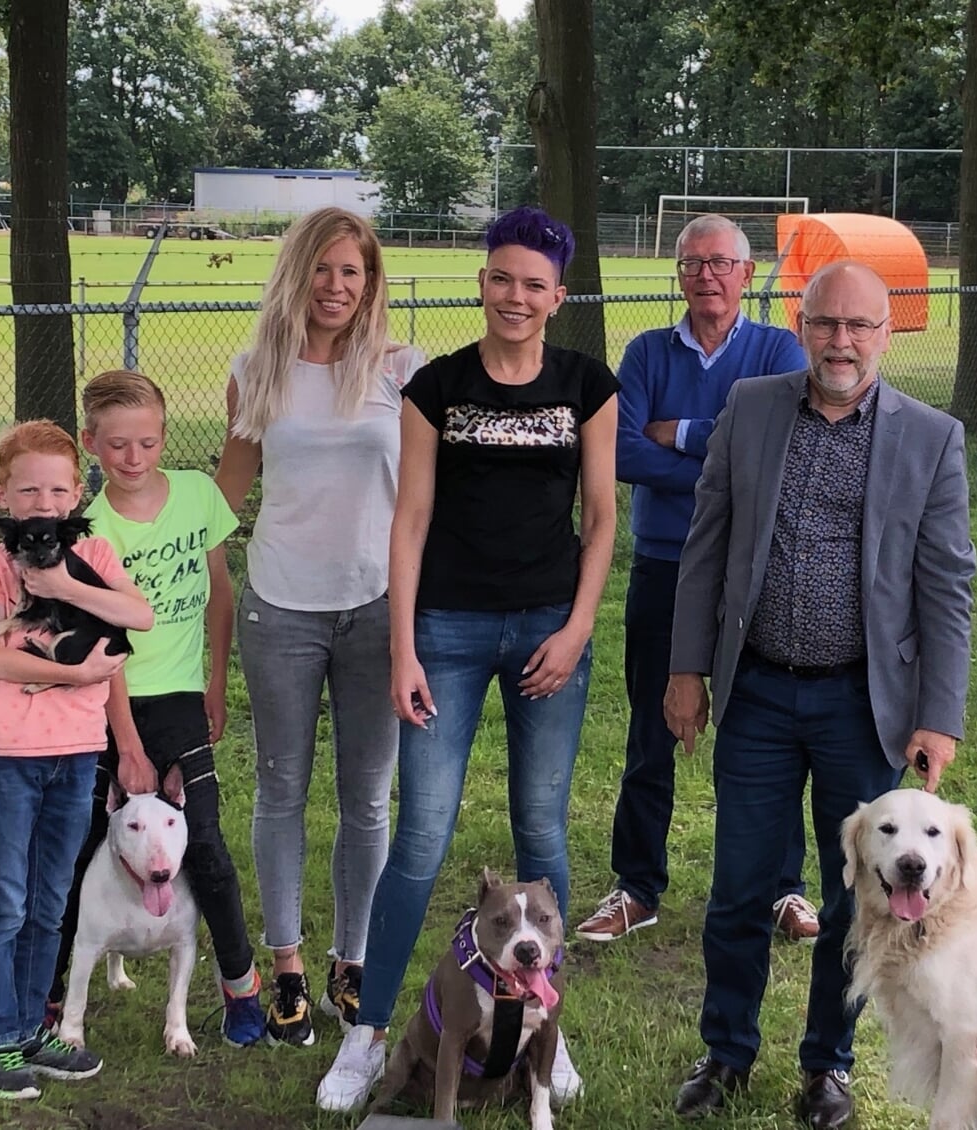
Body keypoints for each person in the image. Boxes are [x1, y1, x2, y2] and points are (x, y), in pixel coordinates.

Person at [316, 205, 617, 1112]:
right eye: (501, 279)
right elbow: (407, 522)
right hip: (445, 628)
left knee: (543, 829)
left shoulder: (586, 386)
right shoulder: (435, 387)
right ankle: (367, 1035)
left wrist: (575, 629)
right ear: (480, 283)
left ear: (557, 296)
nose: (515, 297)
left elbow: (602, 520)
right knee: (420, 836)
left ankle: (540, 1031)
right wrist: (405, 646)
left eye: (534, 284)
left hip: (547, 629)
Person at [663, 260, 976, 1128]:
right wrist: (687, 669)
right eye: (826, 324)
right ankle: (726, 1053)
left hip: (863, 707)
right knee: (737, 888)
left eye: (860, 327)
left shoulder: (930, 437)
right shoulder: (754, 410)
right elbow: (706, 545)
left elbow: (948, 585)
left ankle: (826, 1067)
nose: (842, 342)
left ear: (888, 331)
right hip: (757, 692)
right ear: (802, 326)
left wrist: (937, 716)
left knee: (855, 902)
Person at [214, 207, 427, 1047]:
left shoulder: (401, 371)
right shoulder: (253, 372)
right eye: (325, 269)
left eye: (355, 273)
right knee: (281, 790)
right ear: (297, 272)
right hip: (280, 607)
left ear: (371, 282)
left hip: (377, 608)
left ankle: (354, 955)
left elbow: (422, 499)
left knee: (368, 800)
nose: (339, 287)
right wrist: (143, 541)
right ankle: (290, 964)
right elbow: (226, 495)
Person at [576, 214, 818, 947]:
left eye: (721, 263)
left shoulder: (778, 347)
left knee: (768, 732)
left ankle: (782, 887)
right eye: (692, 264)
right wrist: (723, 450)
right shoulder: (648, 351)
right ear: (678, 275)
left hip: (755, 570)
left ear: (748, 274)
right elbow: (620, 451)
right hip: (663, 564)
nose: (706, 276)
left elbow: (776, 443)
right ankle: (637, 887)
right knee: (653, 732)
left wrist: (676, 433)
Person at [47, 369, 271, 1047]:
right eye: (116, 446)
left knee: (202, 842)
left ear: (164, 437)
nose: (133, 458)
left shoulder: (199, 496)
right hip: (108, 703)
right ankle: (51, 991)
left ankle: (241, 988)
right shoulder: (89, 528)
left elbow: (221, 593)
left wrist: (215, 683)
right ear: (90, 444)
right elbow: (104, 640)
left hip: (180, 700)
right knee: (83, 844)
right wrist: (130, 746)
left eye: (146, 442)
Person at [0, 421, 155, 1100]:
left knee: (49, 900)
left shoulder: (92, 550)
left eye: (58, 488)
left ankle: (31, 1027)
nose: (44, 501)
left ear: (77, 495)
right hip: (11, 756)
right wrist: (76, 675)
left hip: (76, 756)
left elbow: (139, 615)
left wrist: (64, 587)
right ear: (2, 493)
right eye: (29, 488)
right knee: (3, 902)